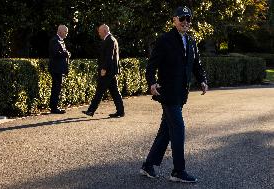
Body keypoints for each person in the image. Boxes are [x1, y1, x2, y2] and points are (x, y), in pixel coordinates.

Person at [140, 6, 208, 183]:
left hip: (181, 94)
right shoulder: (164, 40)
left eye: (188, 18)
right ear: (174, 20)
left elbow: (196, 65)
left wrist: (202, 80)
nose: (185, 21)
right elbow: (151, 65)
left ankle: (148, 165)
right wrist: (151, 82)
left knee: (166, 131)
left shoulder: (191, 41)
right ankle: (178, 171)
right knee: (178, 128)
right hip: (168, 93)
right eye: (182, 18)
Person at [83, 24, 125, 118]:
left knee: (100, 91)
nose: (99, 33)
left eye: (100, 32)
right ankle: (120, 111)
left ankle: (91, 110)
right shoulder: (111, 39)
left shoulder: (110, 40)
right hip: (111, 71)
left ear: (105, 31)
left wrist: (104, 69)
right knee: (115, 92)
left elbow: (109, 56)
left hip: (108, 71)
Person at [48, 25, 71, 114]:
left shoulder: (60, 40)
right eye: (65, 32)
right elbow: (55, 53)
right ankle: (54, 108)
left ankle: (55, 106)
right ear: (60, 31)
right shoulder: (55, 40)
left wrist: (66, 54)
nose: (66, 34)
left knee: (57, 88)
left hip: (59, 69)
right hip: (56, 69)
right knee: (56, 88)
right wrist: (66, 54)